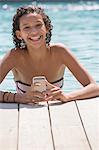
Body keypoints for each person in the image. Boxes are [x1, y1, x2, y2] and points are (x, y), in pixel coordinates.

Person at [0, 6, 99, 104]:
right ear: (19, 34)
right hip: (23, 116)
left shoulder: (60, 52)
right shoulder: (14, 56)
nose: (34, 31)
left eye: (38, 25)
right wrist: (19, 98)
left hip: (57, 114)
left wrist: (67, 96)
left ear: (46, 28)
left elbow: (94, 87)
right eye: (26, 27)